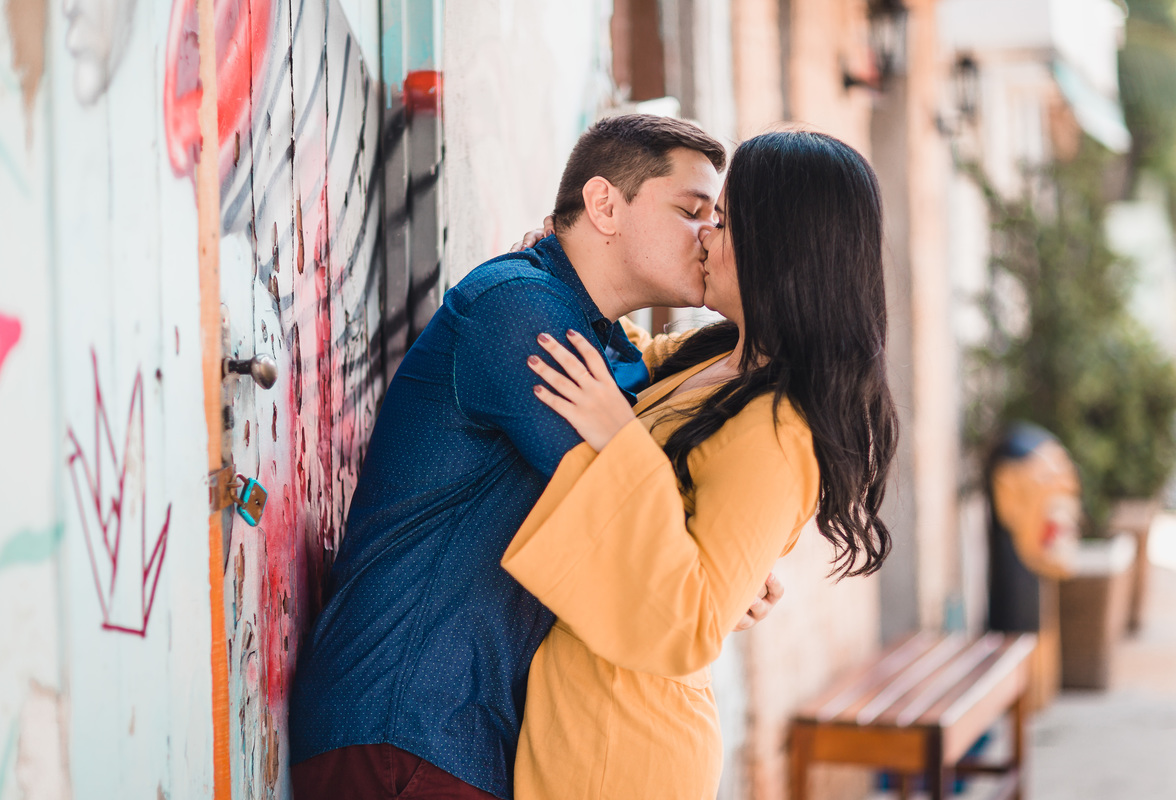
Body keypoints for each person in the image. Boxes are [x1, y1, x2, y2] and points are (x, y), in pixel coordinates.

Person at [288, 114, 781, 800]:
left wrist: (722, 561)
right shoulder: (519, 314)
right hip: (403, 718)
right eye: (691, 210)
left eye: (713, 216)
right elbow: (633, 515)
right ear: (605, 205)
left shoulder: (602, 342)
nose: (708, 235)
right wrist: (713, 569)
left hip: (461, 736)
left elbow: (648, 494)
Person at [500, 130, 899, 798]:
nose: (707, 236)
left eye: (726, 220)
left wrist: (618, 437)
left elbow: (694, 621)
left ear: (783, 248)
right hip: (581, 711)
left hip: (623, 747)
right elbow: (609, 348)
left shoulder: (782, 429)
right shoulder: (711, 358)